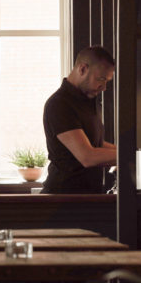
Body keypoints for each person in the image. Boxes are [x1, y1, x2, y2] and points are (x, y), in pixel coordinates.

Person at [41, 46, 118, 194]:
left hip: (85, 196)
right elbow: (87, 156)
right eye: (101, 79)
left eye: (107, 81)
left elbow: (96, 144)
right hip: (63, 200)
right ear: (82, 69)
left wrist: (134, 152)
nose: (104, 87)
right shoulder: (59, 104)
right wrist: (132, 156)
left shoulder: (88, 101)